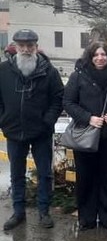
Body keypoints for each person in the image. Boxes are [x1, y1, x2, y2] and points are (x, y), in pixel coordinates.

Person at [63, 41, 107, 232]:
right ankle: (87, 219)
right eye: (96, 55)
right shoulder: (79, 76)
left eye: (104, 55)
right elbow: (68, 102)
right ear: (90, 57)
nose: (100, 58)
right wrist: (88, 118)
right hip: (86, 136)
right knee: (86, 178)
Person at [0, 29, 64, 230]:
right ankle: (18, 212)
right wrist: (3, 119)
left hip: (41, 132)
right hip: (13, 130)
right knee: (16, 173)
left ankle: (44, 211)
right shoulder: (3, 70)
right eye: (22, 46)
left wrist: (48, 120)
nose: (26, 49)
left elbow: (58, 98)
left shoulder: (49, 71)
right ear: (16, 47)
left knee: (45, 173)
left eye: (30, 46)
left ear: (36, 47)